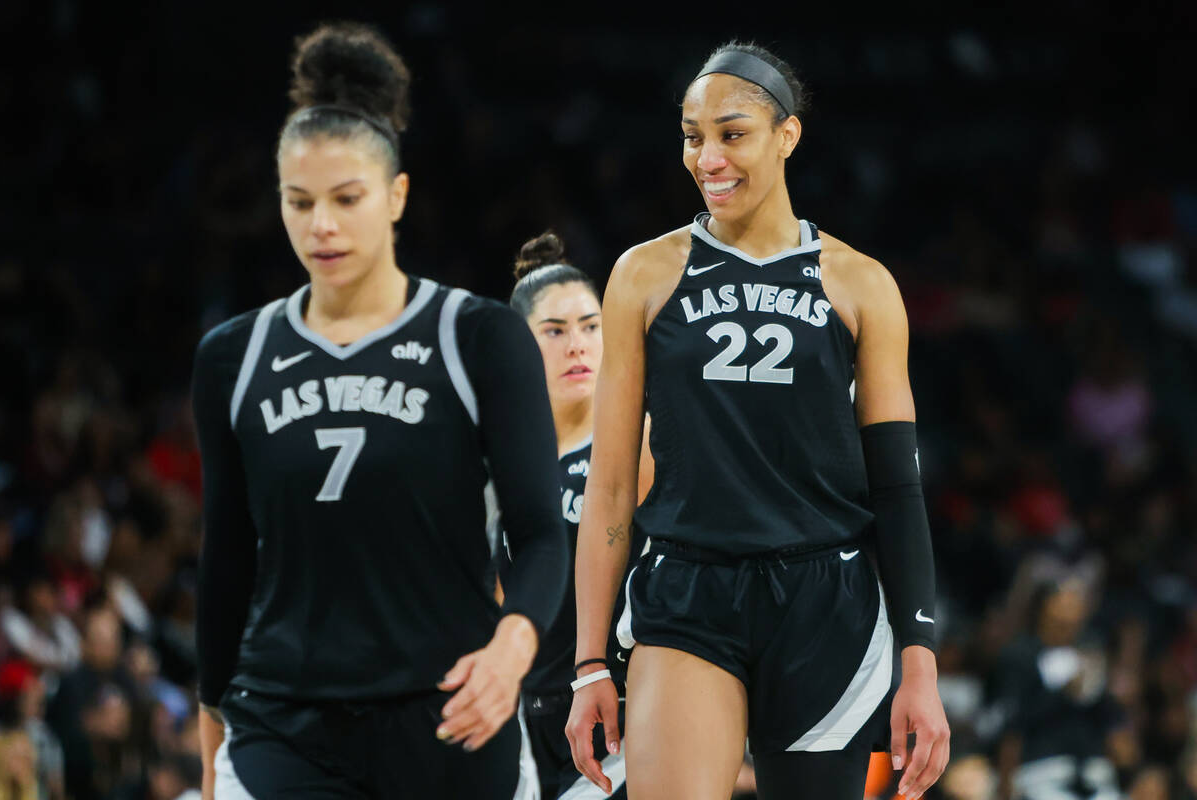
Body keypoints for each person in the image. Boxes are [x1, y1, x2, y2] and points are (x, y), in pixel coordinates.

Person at [566, 42, 950, 800]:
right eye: (691, 134)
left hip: (827, 603)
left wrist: (921, 659)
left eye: (732, 133)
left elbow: (898, 493)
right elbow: (609, 487)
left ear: (787, 134)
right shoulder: (642, 275)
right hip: (687, 590)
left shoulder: (861, 283)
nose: (708, 156)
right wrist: (586, 665)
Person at [191, 22, 566, 798]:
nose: (320, 224)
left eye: (346, 198)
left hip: (454, 713)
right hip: (281, 724)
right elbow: (226, 553)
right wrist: (210, 712)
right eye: (299, 201)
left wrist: (513, 647)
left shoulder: (478, 337)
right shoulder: (234, 355)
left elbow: (539, 534)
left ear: (396, 196)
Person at [505, 232, 653, 799]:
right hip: (521, 723)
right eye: (555, 330)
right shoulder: (496, 462)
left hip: (622, 718)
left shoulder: (643, 442)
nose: (579, 346)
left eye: (592, 326)